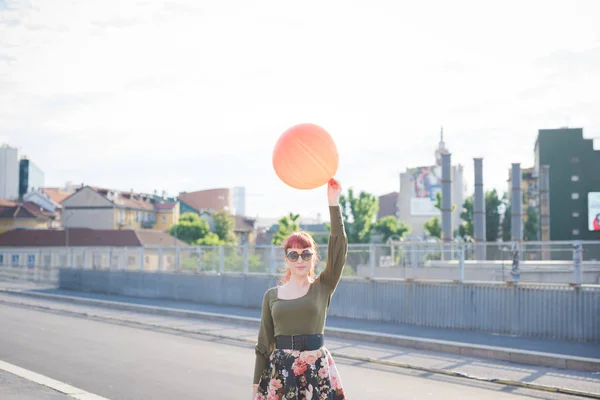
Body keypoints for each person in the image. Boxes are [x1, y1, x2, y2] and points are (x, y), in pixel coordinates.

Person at [252, 178, 348, 400]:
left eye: (306, 253)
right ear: (286, 260)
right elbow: (264, 344)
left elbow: (339, 247)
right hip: (281, 372)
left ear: (313, 258)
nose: (300, 259)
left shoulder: (323, 286)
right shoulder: (271, 296)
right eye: (293, 255)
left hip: (317, 370)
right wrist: (257, 383)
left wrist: (333, 203)